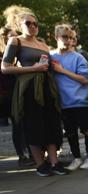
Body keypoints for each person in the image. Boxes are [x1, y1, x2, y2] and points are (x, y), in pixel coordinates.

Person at [1, 7, 67, 176]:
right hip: (29, 89)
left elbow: (48, 67)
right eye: (28, 23)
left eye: (35, 23)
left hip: (47, 87)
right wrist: (33, 68)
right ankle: (40, 165)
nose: (32, 26)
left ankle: (55, 162)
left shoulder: (43, 45)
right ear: (18, 25)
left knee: (51, 123)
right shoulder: (16, 41)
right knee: (33, 125)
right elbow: (5, 68)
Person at [51, 24, 88, 171]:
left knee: (87, 130)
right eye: (65, 37)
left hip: (80, 101)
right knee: (70, 132)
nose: (68, 41)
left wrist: (62, 71)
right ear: (56, 37)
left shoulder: (78, 57)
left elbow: (86, 79)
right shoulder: (51, 56)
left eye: (71, 38)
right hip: (62, 102)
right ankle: (76, 157)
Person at [0, 26, 33, 166]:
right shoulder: (3, 55)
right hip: (3, 95)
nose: (15, 38)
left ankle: (26, 155)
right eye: (11, 36)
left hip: (16, 93)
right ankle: (22, 154)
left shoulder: (18, 53)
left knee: (20, 124)